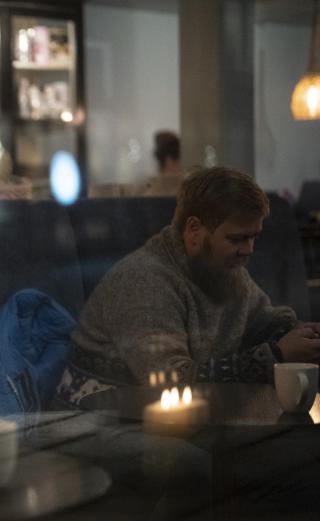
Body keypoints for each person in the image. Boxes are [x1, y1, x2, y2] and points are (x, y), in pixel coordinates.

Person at [58, 166, 320, 408]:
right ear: (195, 230)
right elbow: (171, 384)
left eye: (254, 238)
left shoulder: (222, 269)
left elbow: (264, 323)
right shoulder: (144, 281)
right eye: (237, 238)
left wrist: (304, 336)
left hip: (161, 417)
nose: (248, 251)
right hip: (98, 417)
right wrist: (276, 355)